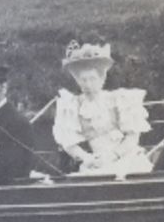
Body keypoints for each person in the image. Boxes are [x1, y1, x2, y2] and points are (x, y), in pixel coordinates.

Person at [52, 40, 153, 177]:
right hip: (96, 162)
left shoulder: (119, 99)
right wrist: (86, 158)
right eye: (83, 80)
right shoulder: (72, 105)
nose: (88, 84)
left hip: (125, 157)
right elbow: (68, 143)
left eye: (92, 79)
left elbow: (133, 137)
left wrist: (113, 156)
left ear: (101, 79)